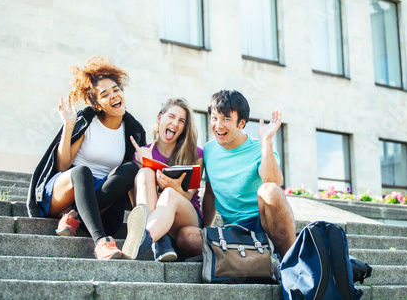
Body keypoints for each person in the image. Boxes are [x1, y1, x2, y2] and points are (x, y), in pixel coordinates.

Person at [27, 55, 146, 260]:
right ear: (97, 104)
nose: (114, 96)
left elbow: (127, 181)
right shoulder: (87, 121)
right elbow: (63, 165)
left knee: (132, 169)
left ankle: (74, 217)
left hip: (100, 199)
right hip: (65, 190)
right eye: (105, 94)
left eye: (116, 90)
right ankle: (101, 242)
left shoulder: (133, 131)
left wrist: (143, 163)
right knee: (82, 172)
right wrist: (69, 126)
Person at [176, 90, 296, 258]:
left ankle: (291, 259)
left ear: (241, 123)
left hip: (263, 224)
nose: (218, 125)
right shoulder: (209, 150)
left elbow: (273, 183)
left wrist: (266, 141)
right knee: (186, 237)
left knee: (269, 190)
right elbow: (210, 194)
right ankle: (258, 253)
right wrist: (206, 229)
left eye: (226, 119)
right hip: (233, 232)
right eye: (215, 118)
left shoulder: (260, 147)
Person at [121, 97, 204, 261]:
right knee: (144, 174)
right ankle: (159, 240)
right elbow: (135, 198)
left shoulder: (195, 153)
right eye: (171, 116)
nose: (175, 123)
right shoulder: (142, 152)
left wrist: (172, 186)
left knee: (169, 195)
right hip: (155, 213)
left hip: (186, 217)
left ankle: (144, 240)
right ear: (160, 118)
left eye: (181, 121)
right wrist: (144, 163)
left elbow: (188, 196)